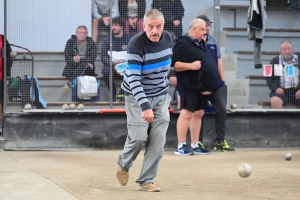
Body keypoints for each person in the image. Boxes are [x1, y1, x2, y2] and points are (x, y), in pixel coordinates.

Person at [116, 9, 172, 192]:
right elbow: (133, 79)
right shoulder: (136, 44)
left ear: (163, 25)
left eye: (158, 27)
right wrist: (145, 106)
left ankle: (146, 180)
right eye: (150, 27)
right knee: (139, 137)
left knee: (158, 139)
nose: (155, 31)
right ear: (144, 26)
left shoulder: (169, 39)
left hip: (161, 95)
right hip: (136, 96)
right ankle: (123, 163)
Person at [171, 18, 219, 156]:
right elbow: (175, 65)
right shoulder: (183, 43)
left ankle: (195, 144)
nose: (206, 31)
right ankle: (181, 146)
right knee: (187, 113)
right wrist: (191, 66)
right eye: (203, 29)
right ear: (194, 29)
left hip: (200, 87)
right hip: (189, 86)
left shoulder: (200, 43)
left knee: (199, 114)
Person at [197, 15, 235, 152]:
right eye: (204, 25)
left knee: (221, 110)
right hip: (199, 84)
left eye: (208, 25)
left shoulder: (213, 41)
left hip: (215, 84)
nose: (207, 28)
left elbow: (218, 60)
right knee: (199, 112)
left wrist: (222, 81)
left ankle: (220, 141)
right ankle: (198, 142)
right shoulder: (191, 41)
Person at [100, 17, 131, 101]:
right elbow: (103, 57)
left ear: (122, 27)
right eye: (112, 25)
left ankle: (122, 93)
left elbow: (133, 57)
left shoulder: (129, 40)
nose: (113, 27)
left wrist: (122, 65)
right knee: (106, 72)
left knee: (133, 72)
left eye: (116, 25)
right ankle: (113, 95)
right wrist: (114, 65)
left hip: (125, 66)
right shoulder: (107, 40)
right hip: (111, 66)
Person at [266, 40, 300, 108]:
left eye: (289, 48)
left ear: (292, 49)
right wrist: (275, 88)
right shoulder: (274, 61)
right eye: (284, 49)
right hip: (282, 92)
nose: (287, 51)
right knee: (274, 100)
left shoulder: (298, 59)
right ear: (280, 50)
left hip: (297, 91)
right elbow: (267, 76)